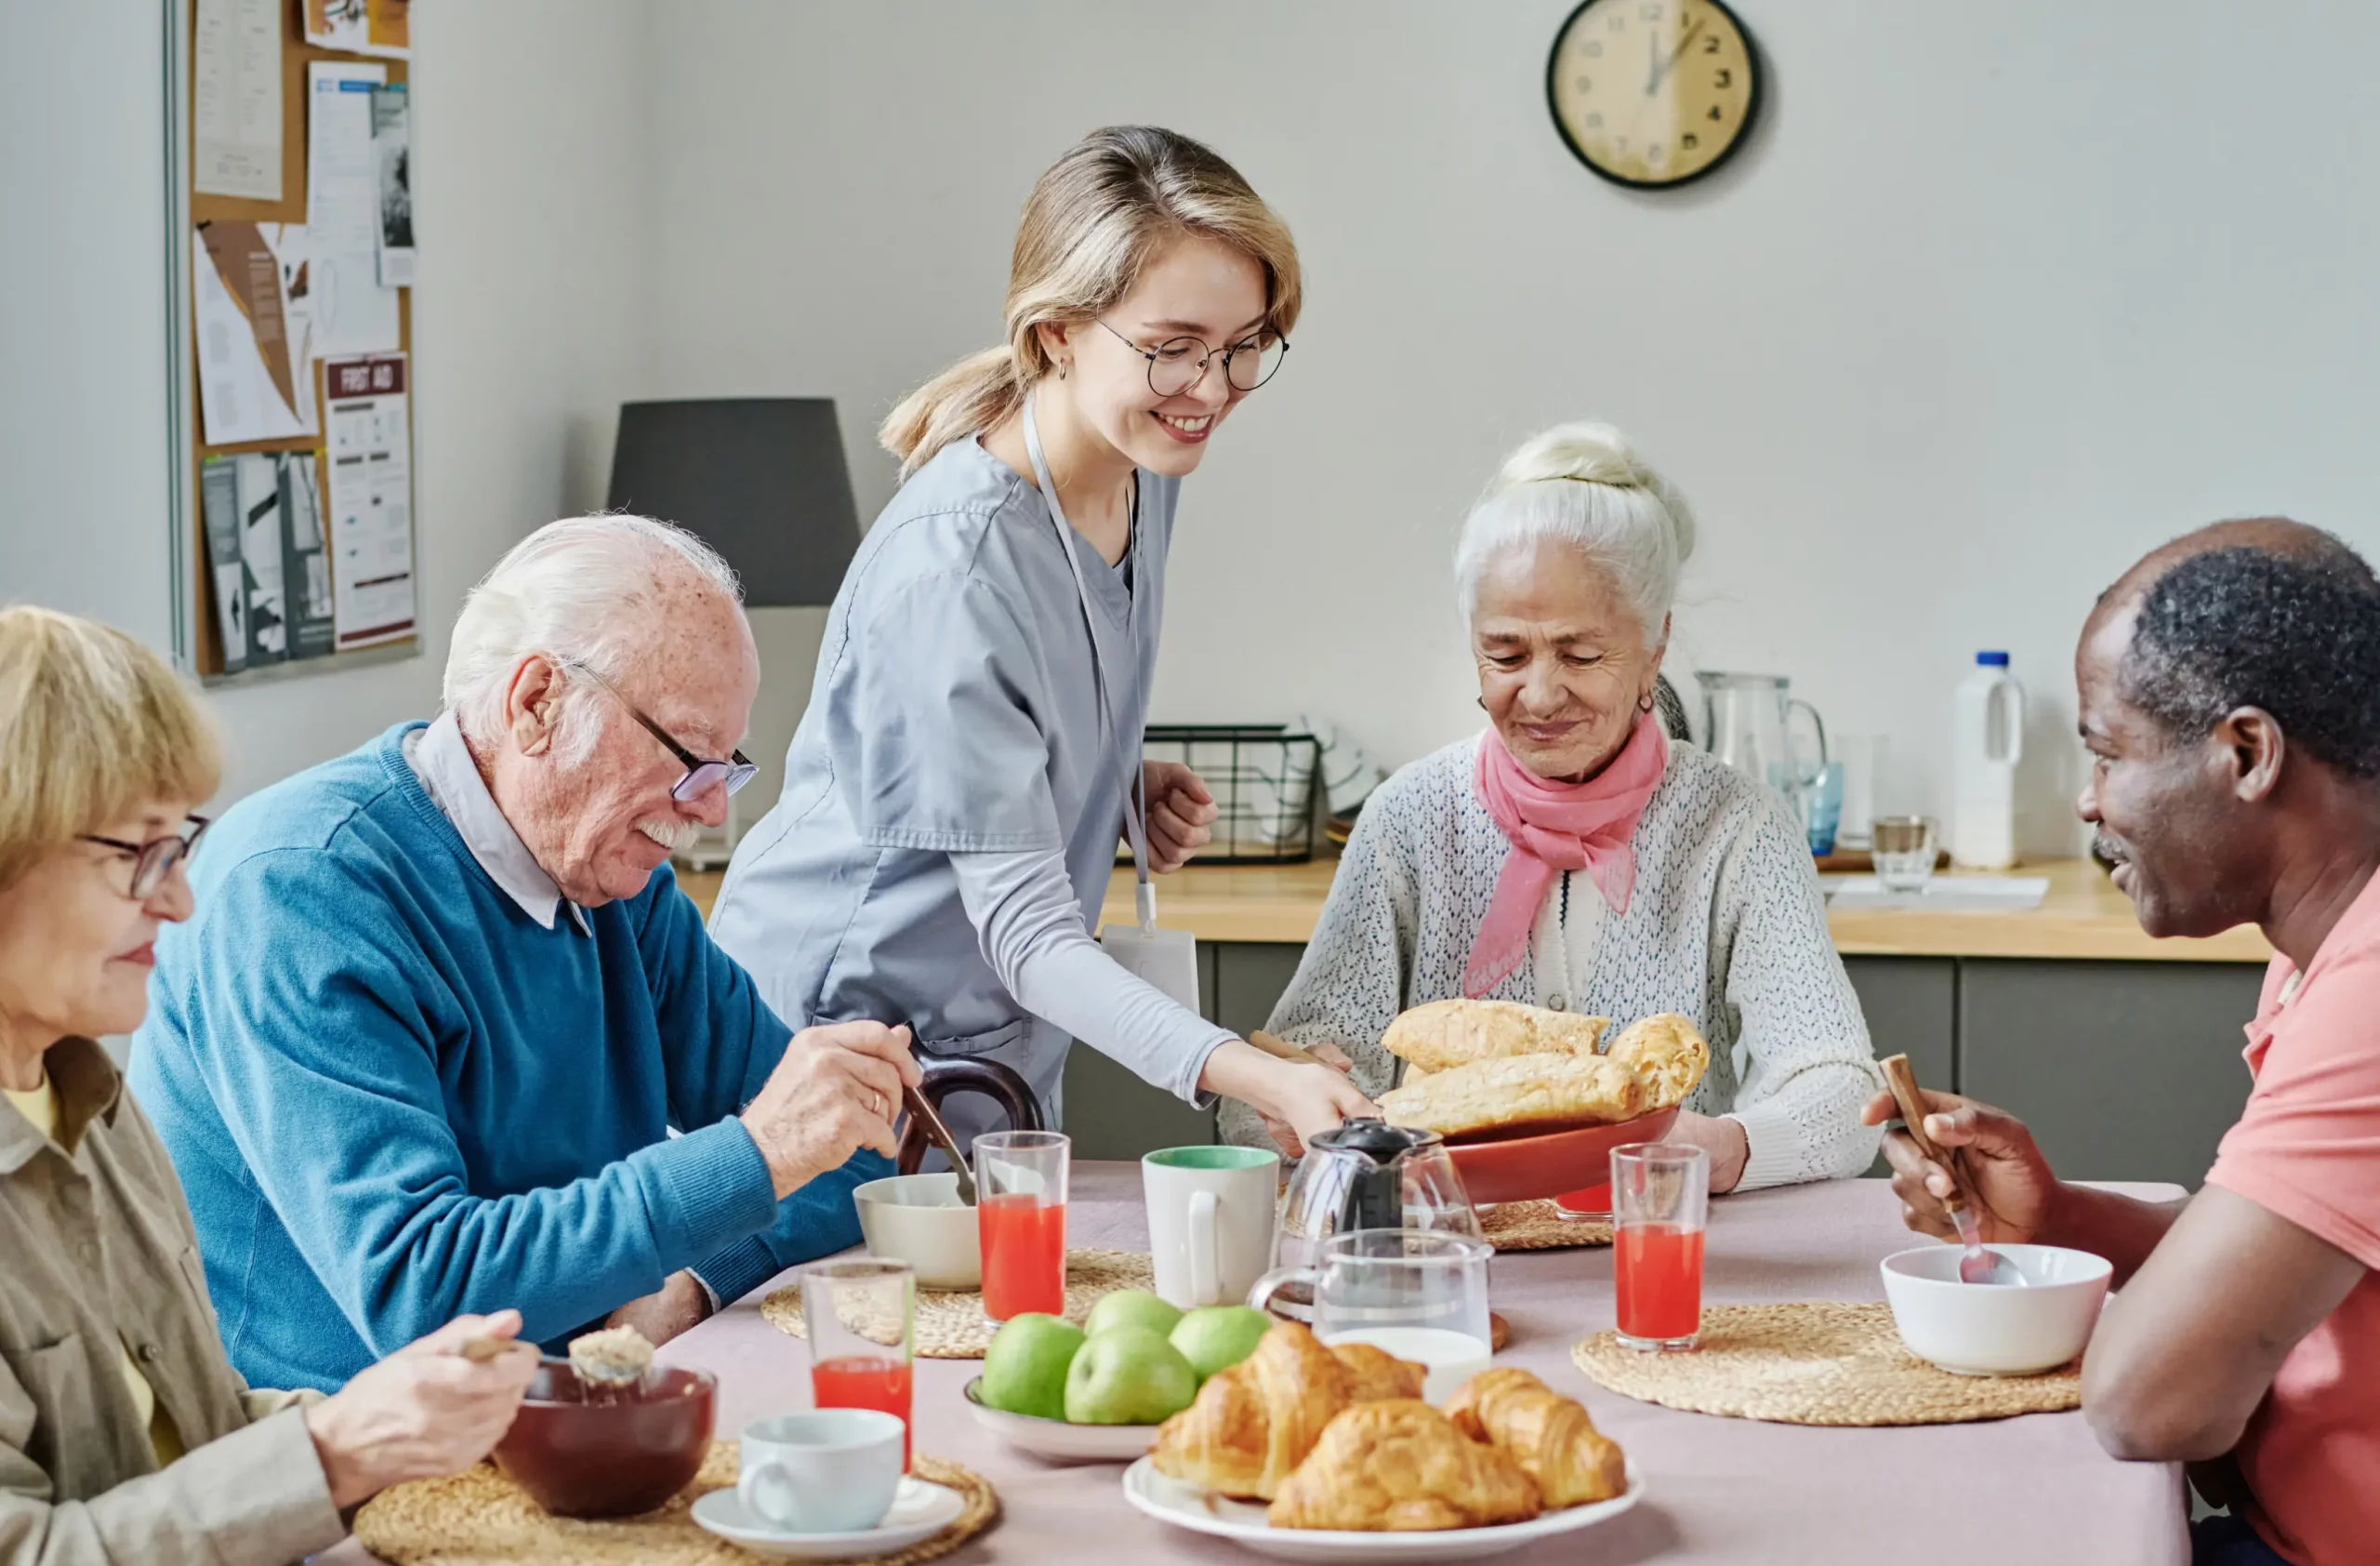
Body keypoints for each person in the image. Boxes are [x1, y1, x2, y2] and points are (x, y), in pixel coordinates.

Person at [131, 516, 919, 1393]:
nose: (710, 814)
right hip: (344, 1463)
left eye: (723, 768)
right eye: (687, 756)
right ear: (537, 701)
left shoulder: (619, 885)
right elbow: (425, 1296)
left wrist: (693, 1282)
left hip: (576, 1412)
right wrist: (757, 1157)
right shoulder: (301, 894)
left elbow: (852, 1145)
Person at [1869, 520, 2380, 1566]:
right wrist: (2067, 1220)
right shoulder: (2327, 940)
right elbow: (2303, 1275)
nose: (2089, 801)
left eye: (2104, 750)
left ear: (2247, 754)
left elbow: (2153, 1398)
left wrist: (2153, 1331)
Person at [708, 126, 1368, 1153]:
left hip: (987, 1050)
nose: (1214, 387)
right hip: (832, 1038)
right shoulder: (955, 568)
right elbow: (1025, 935)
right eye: (1173, 348)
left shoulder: (1141, 473)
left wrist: (1098, 784)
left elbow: (1011, 710)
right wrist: (1251, 1074)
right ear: (1058, 332)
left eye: (1245, 344)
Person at [0, 606, 537, 1566]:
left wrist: (425, 1424)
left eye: (177, 844)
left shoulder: (93, 1099)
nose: (180, 898)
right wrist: (334, 1449)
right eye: (133, 852)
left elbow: (184, 1432)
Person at [1223, 424, 1878, 1192]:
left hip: (1652, 1242)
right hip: (1449, 1251)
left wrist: (1715, 1146)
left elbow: (1843, 1093)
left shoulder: (1736, 829)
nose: (1537, 694)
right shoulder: (1409, 819)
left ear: (1655, 645)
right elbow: (1258, 1099)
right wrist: (1287, 1104)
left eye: (1580, 654)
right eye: (1504, 654)